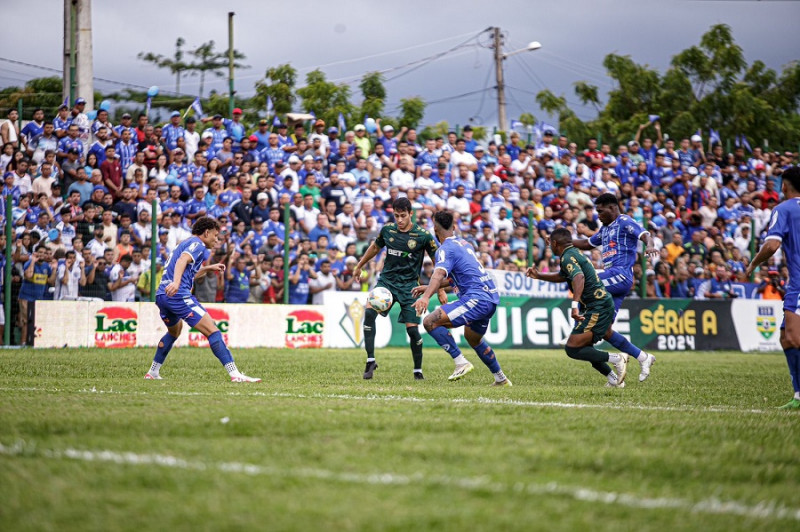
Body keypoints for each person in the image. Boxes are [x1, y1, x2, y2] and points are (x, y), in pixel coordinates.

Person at [144, 216, 260, 382]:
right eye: (215, 235)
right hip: (177, 294)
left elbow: (188, 271)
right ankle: (235, 374)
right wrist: (176, 283)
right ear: (206, 232)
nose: (216, 239)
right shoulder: (198, 244)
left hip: (163, 295)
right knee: (212, 330)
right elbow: (183, 261)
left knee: (174, 331)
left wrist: (207, 268)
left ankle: (153, 372)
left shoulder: (185, 243)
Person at [412, 210, 511, 386]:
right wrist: (429, 288)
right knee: (473, 338)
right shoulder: (465, 243)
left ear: (435, 229)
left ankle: (460, 362)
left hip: (476, 299)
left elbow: (438, 274)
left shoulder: (444, 250)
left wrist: (426, 296)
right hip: (490, 297)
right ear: (454, 227)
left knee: (430, 322)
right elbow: (456, 278)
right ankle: (501, 378)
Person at [569, 193, 657, 381]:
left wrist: (650, 245)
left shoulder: (624, 221)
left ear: (612, 208)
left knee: (585, 284)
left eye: (601, 211)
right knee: (606, 331)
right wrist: (565, 243)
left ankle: (579, 327)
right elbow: (587, 243)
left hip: (620, 275)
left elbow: (645, 234)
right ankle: (644, 357)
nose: (598, 215)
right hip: (614, 283)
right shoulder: (605, 229)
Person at [527, 228, 630, 387]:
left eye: (551, 245)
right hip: (598, 304)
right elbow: (563, 276)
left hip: (598, 306)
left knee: (573, 348)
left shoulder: (567, 257)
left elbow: (578, 277)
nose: (550, 248)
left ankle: (617, 358)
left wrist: (574, 306)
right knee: (584, 348)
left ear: (555, 244)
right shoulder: (573, 252)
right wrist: (540, 275)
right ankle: (614, 379)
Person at [353, 197, 438, 380]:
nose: (399, 220)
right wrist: (359, 265)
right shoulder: (388, 230)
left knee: (412, 330)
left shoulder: (423, 236)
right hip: (387, 283)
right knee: (368, 313)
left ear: (411, 214)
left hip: (410, 287)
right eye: (396, 216)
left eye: (403, 216)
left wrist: (440, 289)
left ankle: (417, 370)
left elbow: (438, 263)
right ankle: (370, 360)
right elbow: (375, 248)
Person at [746, 166, 800, 409]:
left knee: (794, 337)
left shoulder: (784, 209)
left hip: (799, 285)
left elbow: (771, 246)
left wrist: (752, 264)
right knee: (785, 339)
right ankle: (798, 396)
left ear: (784, 186)